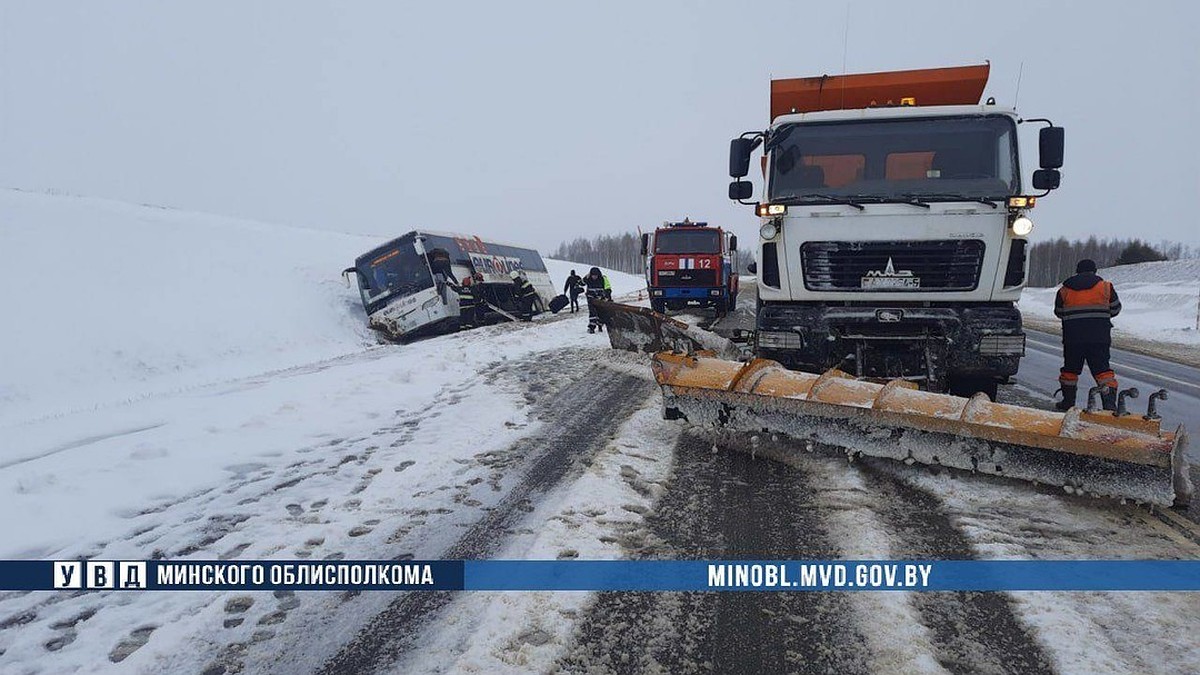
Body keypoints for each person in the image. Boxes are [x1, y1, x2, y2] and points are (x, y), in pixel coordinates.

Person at [1053, 259, 1122, 411]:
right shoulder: (1106, 287)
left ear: (1077, 271)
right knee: (1103, 371)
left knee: (1070, 371)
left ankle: (1068, 403)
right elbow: (1116, 309)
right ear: (1095, 271)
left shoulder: (1064, 290)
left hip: (1073, 339)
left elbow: (1059, 312)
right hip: (1099, 338)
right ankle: (1109, 406)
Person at [583, 267, 608, 333]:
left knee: (601, 312)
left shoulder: (602, 279)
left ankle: (600, 325)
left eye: (596, 275)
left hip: (599, 298)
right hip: (591, 299)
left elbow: (605, 288)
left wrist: (605, 296)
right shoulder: (588, 278)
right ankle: (592, 328)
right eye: (593, 275)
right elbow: (582, 283)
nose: (594, 277)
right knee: (593, 312)